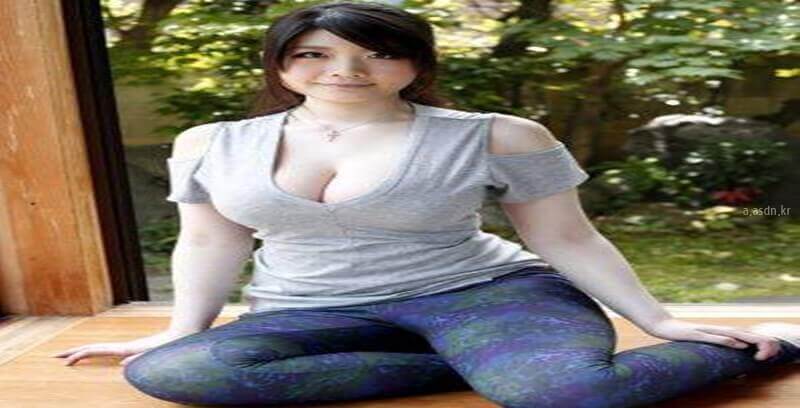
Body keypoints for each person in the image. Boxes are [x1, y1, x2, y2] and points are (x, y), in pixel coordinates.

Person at [53, 1, 800, 407]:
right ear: (281, 63)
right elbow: (211, 241)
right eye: (315, 52)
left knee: (567, 394)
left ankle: (758, 349)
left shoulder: (498, 134)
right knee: (175, 375)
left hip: (486, 295)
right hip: (309, 309)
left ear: (415, 64)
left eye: (377, 52)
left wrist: (658, 322)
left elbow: (568, 239)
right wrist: (180, 331)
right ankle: (471, 366)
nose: (346, 69)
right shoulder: (210, 142)